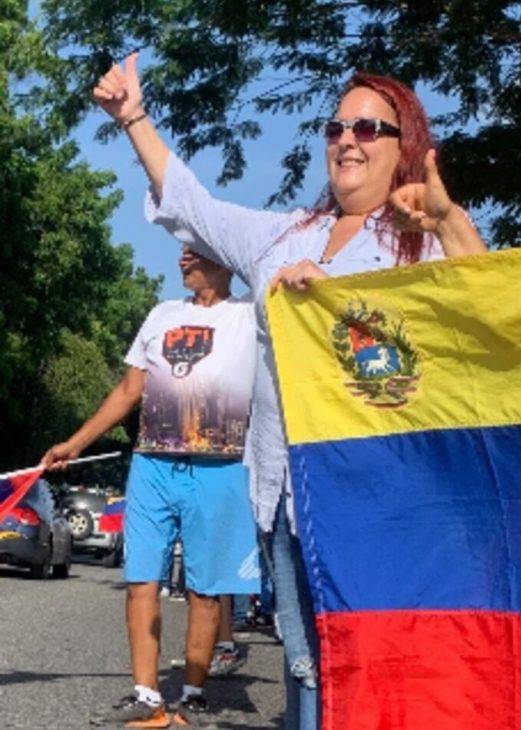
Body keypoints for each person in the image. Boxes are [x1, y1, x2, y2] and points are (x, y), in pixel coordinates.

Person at [92, 55, 486, 729]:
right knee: (305, 667)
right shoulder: (283, 236)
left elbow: (491, 312)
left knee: (379, 665)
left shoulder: (419, 243)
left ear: (406, 146)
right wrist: (133, 117)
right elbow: (195, 208)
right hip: (287, 496)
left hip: (382, 505)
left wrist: (444, 224)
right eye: (337, 126)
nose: (348, 139)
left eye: (369, 127)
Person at [42, 247, 260, 727]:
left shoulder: (250, 315)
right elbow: (128, 390)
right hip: (152, 464)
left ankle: (192, 695)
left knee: (206, 588)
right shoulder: (162, 315)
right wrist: (74, 444)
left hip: (219, 465)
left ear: (222, 260)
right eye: (178, 252)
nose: (182, 260)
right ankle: (146, 694)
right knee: (142, 577)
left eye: (194, 253)